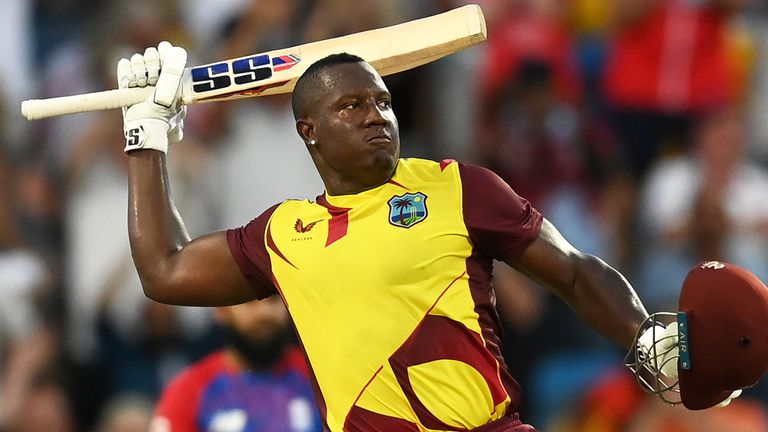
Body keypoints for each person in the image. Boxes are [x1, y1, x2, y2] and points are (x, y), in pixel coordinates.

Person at [115, 41, 688, 431]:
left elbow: (572, 269)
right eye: (353, 105)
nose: (377, 115)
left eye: (384, 102)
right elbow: (164, 271)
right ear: (308, 132)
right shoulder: (283, 233)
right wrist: (148, 136)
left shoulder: (456, 186)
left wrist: (644, 335)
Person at [150, 297, 323, 432]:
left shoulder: (320, 379)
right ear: (222, 311)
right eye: (249, 303)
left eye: (273, 300)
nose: (263, 313)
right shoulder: (189, 390)